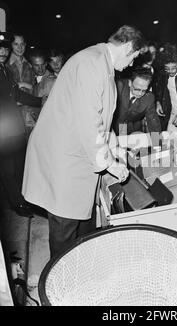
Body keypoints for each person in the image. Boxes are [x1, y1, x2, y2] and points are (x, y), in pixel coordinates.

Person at [22, 25, 145, 259]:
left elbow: (101, 115)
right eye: (134, 56)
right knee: (65, 223)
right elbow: (89, 121)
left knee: (82, 219)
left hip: (75, 152)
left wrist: (114, 144)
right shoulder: (92, 64)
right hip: (63, 156)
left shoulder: (101, 62)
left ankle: (81, 266)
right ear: (128, 46)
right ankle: (60, 283)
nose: (132, 64)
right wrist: (110, 163)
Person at [0, 32, 42, 218]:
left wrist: (41, 101)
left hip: (15, 127)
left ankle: (23, 200)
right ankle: (17, 203)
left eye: (4, 48)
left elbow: (17, 94)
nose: (2, 51)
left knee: (19, 167)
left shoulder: (5, 70)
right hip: (2, 130)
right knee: (8, 170)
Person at [112, 68, 161, 135]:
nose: (140, 93)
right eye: (137, 89)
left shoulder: (149, 97)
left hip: (132, 129)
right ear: (130, 83)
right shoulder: (117, 87)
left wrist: (156, 144)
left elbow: (154, 122)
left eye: (144, 90)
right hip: (112, 128)